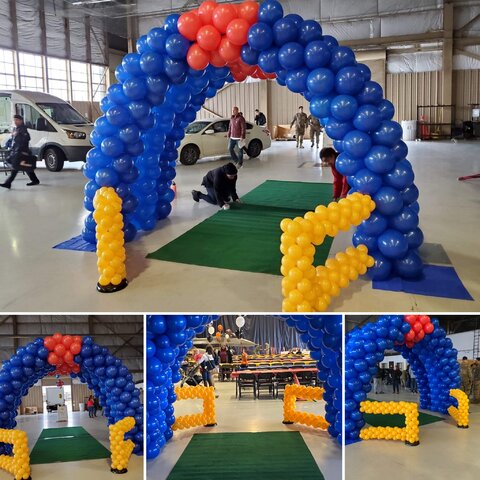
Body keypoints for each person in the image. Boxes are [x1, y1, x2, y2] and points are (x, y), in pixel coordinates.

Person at [1, 115, 39, 189]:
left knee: (16, 166)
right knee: (23, 166)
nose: (15, 121)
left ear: (21, 120)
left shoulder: (22, 128)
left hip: (22, 151)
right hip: (19, 151)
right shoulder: (18, 129)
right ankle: (35, 180)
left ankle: (8, 183)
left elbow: (27, 138)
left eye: (17, 120)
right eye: (14, 120)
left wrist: (22, 150)